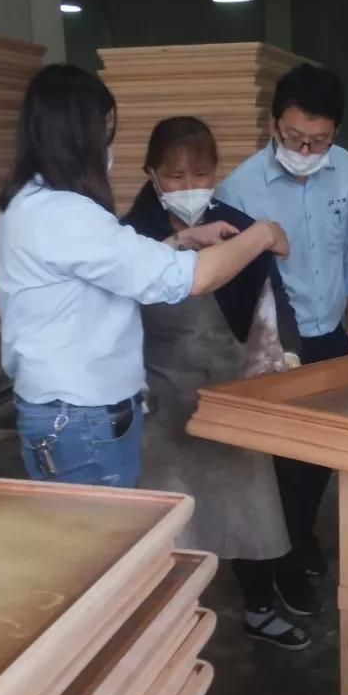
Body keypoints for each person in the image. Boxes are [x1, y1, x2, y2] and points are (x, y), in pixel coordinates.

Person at [0, 65, 289, 490]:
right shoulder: (63, 214)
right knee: (105, 530)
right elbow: (193, 278)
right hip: (84, 420)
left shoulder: (27, 204)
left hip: (66, 413)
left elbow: (111, 269)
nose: (107, 145)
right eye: (104, 131)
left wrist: (182, 239)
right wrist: (263, 233)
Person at [124, 116, 308, 649]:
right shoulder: (131, 235)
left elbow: (273, 304)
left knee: (250, 509)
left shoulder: (239, 229)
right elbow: (114, 318)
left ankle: (259, 608)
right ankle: (170, 623)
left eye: (201, 174)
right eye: (175, 176)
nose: (189, 186)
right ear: (152, 175)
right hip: (161, 396)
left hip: (231, 389)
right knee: (170, 519)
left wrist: (283, 359)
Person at [216, 63, 348, 616]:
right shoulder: (239, 188)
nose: (306, 150)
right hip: (276, 345)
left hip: (331, 335)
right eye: (295, 137)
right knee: (278, 465)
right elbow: (232, 286)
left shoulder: (344, 169)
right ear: (273, 124)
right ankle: (280, 564)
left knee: (320, 455)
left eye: (319, 140)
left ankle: (299, 538)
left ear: (336, 133)